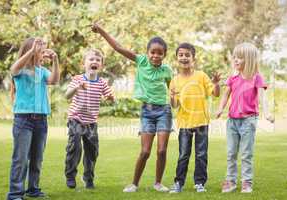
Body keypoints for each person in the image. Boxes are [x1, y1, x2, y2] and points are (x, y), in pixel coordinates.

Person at [91, 23, 173, 192]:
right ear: (147, 52)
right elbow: (118, 47)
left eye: (160, 53)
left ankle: (158, 183)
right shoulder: (141, 61)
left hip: (164, 111)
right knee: (145, 152)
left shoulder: (167, 70)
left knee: (162, 150)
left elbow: (172, 90)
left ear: (164, 54)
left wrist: (176, 97)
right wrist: (101, 31)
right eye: (153, 52)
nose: (156, 56)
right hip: (147, 112)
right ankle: (134, 183)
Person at [216, 42, 274, 193]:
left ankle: (247, 182)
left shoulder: (257, 78)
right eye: (234, 57)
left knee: (246, 153)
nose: (235, 60)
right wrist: (220, 109)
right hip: (232, 121)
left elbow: (262, 97)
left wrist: (267, 113)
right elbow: (225, 95)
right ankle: (231, 181)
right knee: (231, 153)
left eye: (239, 57)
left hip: (248, 120)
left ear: (248, 59)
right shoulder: (233, 78)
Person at [7, 37, 60, 200]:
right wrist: (32, 51)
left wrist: (55, 60)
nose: (43, 53)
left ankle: (33, 189)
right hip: (24, 119)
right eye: (41, 50)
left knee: (37, 158)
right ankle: (15, 193)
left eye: (44, 50)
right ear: (31, 50)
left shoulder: (42, 71)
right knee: (21, 158)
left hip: (41, 120)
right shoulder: (21, 70)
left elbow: (54, 80)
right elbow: (13, 69)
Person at [168, 42, 220, 193]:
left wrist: (216, 84)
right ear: (177, 58)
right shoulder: (175, 80)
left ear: (193, 58)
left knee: (201, 154)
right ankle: (179, 183)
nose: (184, 58)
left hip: (202, 122)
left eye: (187, 55)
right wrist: (171, 97)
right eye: (181, 55)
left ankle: (199, 183)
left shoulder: (201, 76)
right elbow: (175, 105)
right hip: (184, 123)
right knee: (183, 154)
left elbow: (215, 94)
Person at [64, 49, 114, 189]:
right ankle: (70, 175)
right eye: (91, 59)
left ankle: (88, 178)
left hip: (91, 122)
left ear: (101, 66)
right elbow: (67, 96)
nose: (94, 62)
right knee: (75, 146)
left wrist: (110, 98)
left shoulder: (102, 83)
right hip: (76, 119)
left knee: (92, 151)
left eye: (98, 60)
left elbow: (110, 98)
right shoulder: (78, 79)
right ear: (84, 63)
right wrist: (77, 88)